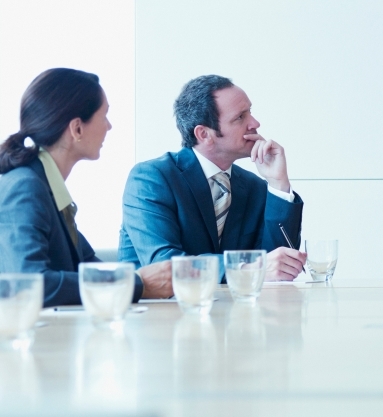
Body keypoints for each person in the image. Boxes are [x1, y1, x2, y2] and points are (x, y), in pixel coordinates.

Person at [0, 68, 172, 305]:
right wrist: (133, 284)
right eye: (104, 116)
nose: (109, 126)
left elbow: (87, 264)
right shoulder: (25, 188)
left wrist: (145, 281)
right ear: (77, 129)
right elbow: (31, 285)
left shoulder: (46, 186)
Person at [119, 75, 308, 281]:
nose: (255, 123)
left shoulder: (253, 187)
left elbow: (278, 268)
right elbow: (163, 264)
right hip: (159, 310)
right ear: (203, 134)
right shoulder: (151, 179)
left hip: (232, 311)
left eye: (250, 112)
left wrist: (278, 183)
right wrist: (247, 269)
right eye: (240, 117)